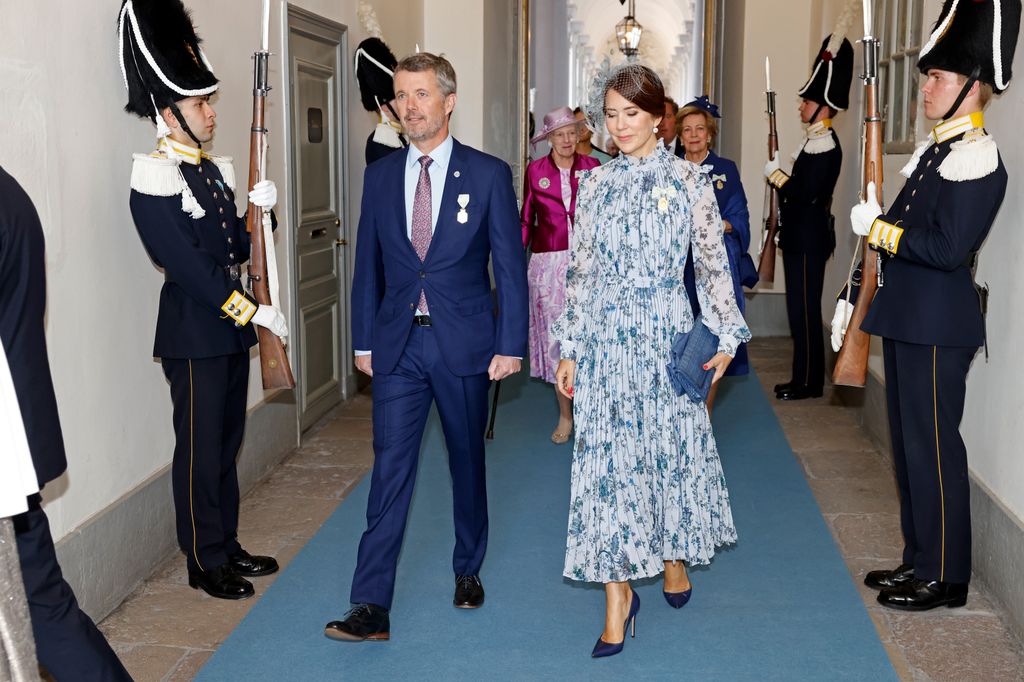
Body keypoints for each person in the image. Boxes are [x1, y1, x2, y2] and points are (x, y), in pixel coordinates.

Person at [326, 52, 528, 642]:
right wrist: (363, 340)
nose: (408, 107)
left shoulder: (488, 174)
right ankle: (370, 605)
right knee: (390, 470)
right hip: (397, 348)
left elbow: (509, 269)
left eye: (420, 95)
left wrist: (510, 342)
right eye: (401, 96)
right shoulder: (381, 174)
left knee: (467, 459)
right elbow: (368, 266)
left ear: (448, 100)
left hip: (464, 345)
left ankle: (467, 566)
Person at [553, 63, 750, 658]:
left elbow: (714, 268)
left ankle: (671, 556)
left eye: (631, 114)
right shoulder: (595, 185)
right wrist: (571, 345)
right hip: (609, 339)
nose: (620, 126)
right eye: (610, 115)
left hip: (666, 334)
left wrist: (725, 337)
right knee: (609, 466)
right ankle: (618, 598)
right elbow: (581, 274)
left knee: (665, 456)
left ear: (660, 117)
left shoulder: (691, 183)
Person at [840, 0, 1019, 612]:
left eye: (937, 78)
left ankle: (947, 576)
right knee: (910, 442)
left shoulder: (977, 154)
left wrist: (881, 232)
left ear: (973, 86)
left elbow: (945, 249)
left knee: (937, 446)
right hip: (910, 314)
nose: (925, 88)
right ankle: (919, 557)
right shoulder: (937, 151)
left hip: (940, 322)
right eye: (927, 77)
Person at [119, 0, 287, 601]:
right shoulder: (155, 174)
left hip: (224, 330)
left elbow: (235, 245)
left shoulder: (210, 172)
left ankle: (226, 543)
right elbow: (190, 268)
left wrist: (259, 212)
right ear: (170, 113)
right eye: (199, 105)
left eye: (210, 104)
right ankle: (201, 558)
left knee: (226, 443)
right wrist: (253, 311)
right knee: (197, 451)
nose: (211, 113)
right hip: (195, 327)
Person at [1, 163, 131, 680]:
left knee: (36, 607)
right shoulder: (9, 191)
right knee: (43, 603)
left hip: (7, 445)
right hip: (14, 441)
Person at [763, 14, 854, 401]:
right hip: (799, 235)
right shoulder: (813, 141)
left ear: (823, 107)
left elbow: (804, 192)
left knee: (804, 312)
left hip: (810, 237)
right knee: (798, 312)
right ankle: (804, 377)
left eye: (807, 100)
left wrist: (777, 177)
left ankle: (810, 381)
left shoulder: (826, 144)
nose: (801, 104)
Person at [522, 106, 601, 443]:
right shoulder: (535, 170)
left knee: (590, 340)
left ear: (580, 133)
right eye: (560, 134)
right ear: (549, 139)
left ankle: (591, 412)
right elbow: (526, 219)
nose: (567, 139)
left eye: (572, 132)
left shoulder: (594, 167)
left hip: (589, 265)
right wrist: (512, 260)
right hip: (548, 267)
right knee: (559, 343)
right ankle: (566, 415)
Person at [678, 96, 756, 411]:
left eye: (700, 129)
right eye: (687, 130)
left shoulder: (726, 170)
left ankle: (705, 411)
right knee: (680, 337)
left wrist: (718, 224)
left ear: (710, 134)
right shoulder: (671, 170)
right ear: (680, 136)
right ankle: (679, 405)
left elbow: (739, 217)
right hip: (677, 267)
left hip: (714, 266)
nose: (694, 135)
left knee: (712, 336)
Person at [355, 33, 408, 164]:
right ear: (384, 105)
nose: (406, 103)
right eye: (400, 97)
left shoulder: (402, 137)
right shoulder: (378, 144)